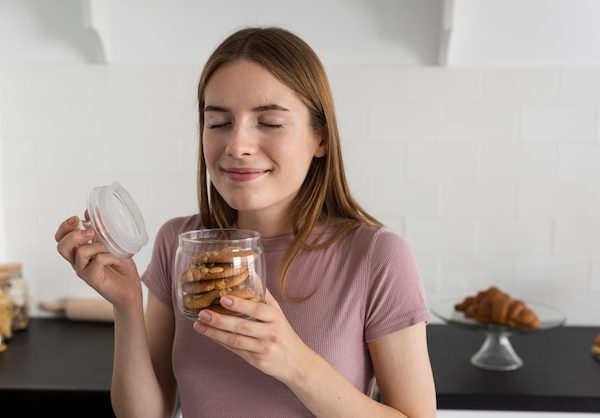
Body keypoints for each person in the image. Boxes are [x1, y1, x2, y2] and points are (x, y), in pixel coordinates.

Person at [55, 26, 436, 418]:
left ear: (320, 137)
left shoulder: (377, 257)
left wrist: (295, 364)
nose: (237, 146)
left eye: (269, 122)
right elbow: (147, 415)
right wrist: (127, 305)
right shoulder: (180, 242)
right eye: (218, 122)